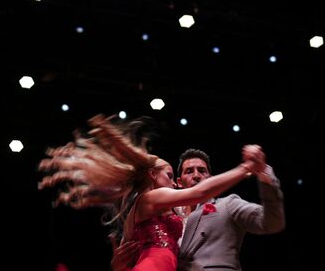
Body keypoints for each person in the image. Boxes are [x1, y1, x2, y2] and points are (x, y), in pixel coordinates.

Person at [38, 114, 266, 271]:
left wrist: (119, 266)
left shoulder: (154, 209)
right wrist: (244, 168)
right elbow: (198, 193)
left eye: (201, 170)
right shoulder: (151, 199)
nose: (174, 184)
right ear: (151, 176)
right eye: (169, 176)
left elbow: (128, 256)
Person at [111, 147, 285, 271]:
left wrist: (264, 176)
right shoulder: (161, 213)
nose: (196, 175)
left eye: (202, 170)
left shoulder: (228, 205)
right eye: (189, 171)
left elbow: (272, 223)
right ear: (179, 183)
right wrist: (118, 266)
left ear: (210, 177)